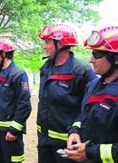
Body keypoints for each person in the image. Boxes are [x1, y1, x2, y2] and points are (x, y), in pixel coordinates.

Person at [36, 23, 97, 163]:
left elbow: (88, 108)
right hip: (44, 141)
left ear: (60, 44)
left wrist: (77, 131)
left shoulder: (82, 71)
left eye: (47, 42)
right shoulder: (46, 68)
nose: (44, 46)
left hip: (69, 145)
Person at [65, 26, 118, 163]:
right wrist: (75, 131)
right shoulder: (93, 85)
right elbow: (83, 116)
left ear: (116, 59)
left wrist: (90, 152)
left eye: (97, 54)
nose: (90, 60)